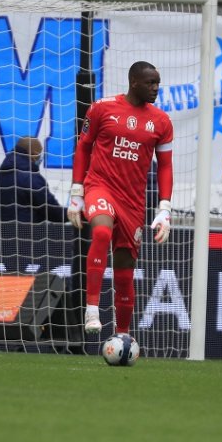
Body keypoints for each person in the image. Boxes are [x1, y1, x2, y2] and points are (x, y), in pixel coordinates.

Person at [67, 61, 174, 336]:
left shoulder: (161, 121)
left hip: (132, 201)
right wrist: (77, 192)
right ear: (134, 82)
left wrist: (164, 208)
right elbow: (83, 148)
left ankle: (123, 335)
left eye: (157, 83)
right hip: (99, 186)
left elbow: (164, 165)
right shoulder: (102, 108)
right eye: (150, 83)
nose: (155, 89)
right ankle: (92, 309)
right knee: (101, 232)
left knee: (125, 271)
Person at [0, 136, 66, 224]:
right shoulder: (31, 178)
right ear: (33, 154)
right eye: (40, 154)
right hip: (27, 234)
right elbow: (52, 211)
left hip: (0, 234)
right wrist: (73, 213)